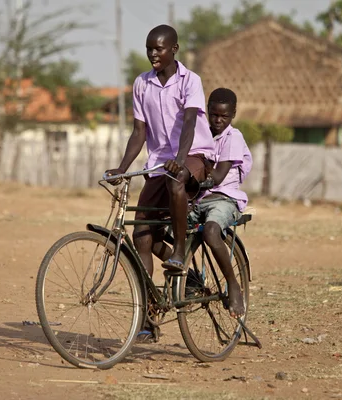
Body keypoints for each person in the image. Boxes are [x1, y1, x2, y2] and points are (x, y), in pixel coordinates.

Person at [106, 25, 215, 279]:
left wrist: (179, 160)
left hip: (194, 155)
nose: (153, 54)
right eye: (148, 49)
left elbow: (190, 123)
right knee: (142, 235)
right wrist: (122, 168)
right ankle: (148, 309)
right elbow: (139, 132)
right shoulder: (142, 84)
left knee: (176, 180)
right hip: (160, 163)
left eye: (159, 48)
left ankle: (179, 251)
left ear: (174, 49)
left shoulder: (190, 81)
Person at [188, 88, 253, 318]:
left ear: (233, 114)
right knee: (159, 232)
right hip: (199, 199)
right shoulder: (201, 134)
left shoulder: (233, 137)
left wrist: (197, 167)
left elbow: (216, 177)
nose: (217, 121)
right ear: (207, 111)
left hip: (224, 198)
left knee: (212, 231)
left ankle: (233, 284)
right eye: (213, 115)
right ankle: (192, 277)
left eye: (223, 116)